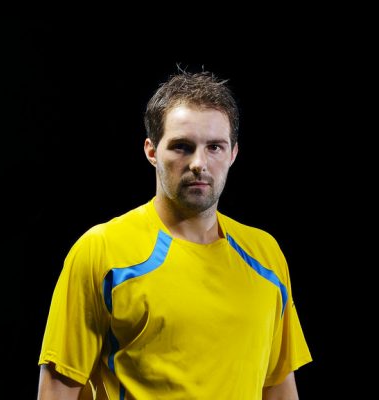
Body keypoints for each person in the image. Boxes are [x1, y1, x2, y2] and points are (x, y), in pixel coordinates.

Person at [37, 69, 312, 400]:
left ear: (233, 154)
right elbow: (56, 391)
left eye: (214, 147)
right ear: (152, 151)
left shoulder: (265, 255)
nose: (199, 163)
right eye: (182, 147)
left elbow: (279, 388)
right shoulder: (101, 251)